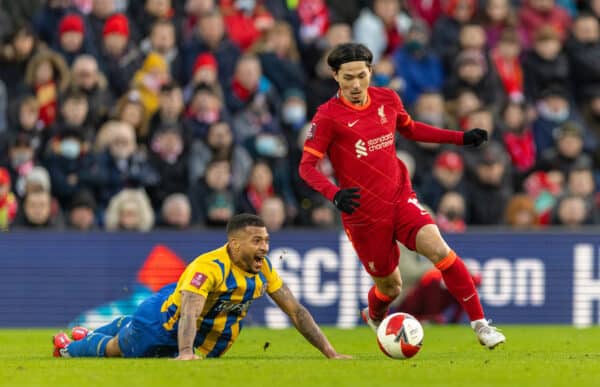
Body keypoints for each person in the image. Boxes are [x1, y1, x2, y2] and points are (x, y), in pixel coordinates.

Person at [298, 42, 505, 349]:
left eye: (361, 76)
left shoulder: (387, 99)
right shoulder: (328, 116)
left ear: (371, 71)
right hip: (363, 214)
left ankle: (481, 325)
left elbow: (412, 130)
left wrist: (459, 138)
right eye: (348, 78)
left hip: (399, 197)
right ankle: (374, 313)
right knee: (390, 286)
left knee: (440, 251)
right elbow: (307, 167)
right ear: (335, 77)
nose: (356, 85)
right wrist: (334, 194)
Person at [52, 213, 350, 360]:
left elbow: (296, 312)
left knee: (127, 329)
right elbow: (191, 310)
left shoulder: (264, 270)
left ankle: (93, 331)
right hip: (161, 323)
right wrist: (184, 352)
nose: (265, 248)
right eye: (257, 241)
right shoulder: (209, 268)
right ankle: (69, 348)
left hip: (203, 340)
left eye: (267, 240)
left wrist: (331, 353)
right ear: (235, 244)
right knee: (119, 349)